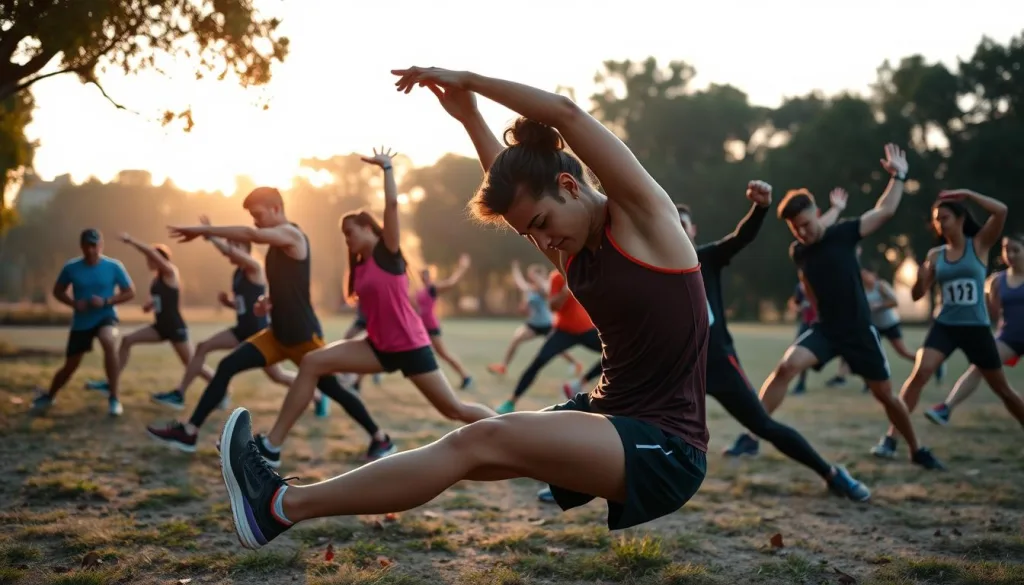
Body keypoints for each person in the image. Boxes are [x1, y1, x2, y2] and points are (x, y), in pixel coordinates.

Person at [218, 66, 709, 550]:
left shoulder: (648, 222)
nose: (542, 240)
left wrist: (470, 80)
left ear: (570, 185)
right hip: (611, 415)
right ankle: (281, 508)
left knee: (476, 439)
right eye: (529, 233)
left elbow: (567, 116)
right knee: (467, 449)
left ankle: (279, 506)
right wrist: (470, 117)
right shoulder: (571, 245)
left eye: (542, 222)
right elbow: (510, 179)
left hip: (666, 446)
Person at [242, 149, 498, 469]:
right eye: (344, 235)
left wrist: (388, 169)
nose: (346, 239)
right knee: (311, 363)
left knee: (454, 409)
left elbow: (392, 206)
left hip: (410, 346)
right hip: (377, 346)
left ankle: (509, 432)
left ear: (368, 229)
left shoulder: (387, 254)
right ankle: (272, 446)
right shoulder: (360, 269)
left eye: (350, 232)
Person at [725, 149, 944, 470]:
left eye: (805, 223)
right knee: (786, 368)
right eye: (795, 228)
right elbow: (810, 283)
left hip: (858, 331)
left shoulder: (844, 233)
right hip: (826, 330)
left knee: (885, 395)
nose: (802, 232)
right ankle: (751, 437)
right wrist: (815, 313)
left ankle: (916, 448)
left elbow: (884, 211)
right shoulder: (799, 251)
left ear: (816, 212)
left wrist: (898, 176)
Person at [146, 186, 390, 458]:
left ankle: (379, 437)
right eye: (252, 216)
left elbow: (252, 235)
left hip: (303, 336)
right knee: (227, 366)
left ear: (276, 209)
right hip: (276, 335)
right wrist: (269, 300)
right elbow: (289, 283)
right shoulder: (277, 247)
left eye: (258, 214)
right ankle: (189, 432)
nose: (255, 222)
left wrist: (205, 231)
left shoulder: (292, 234)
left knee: (332, 388)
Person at [870, 191, 1024, 452]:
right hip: (945, 326)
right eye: (937, 220)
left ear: (960, 218)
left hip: (976, 328)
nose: (940, 224)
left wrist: (968, 195)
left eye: (945, 218)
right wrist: (921, 278)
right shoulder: (935, 255)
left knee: (1002, 389)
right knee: (919, 375)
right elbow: (918, 295)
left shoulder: (979, 244)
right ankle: (891, 438)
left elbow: (1001, 210)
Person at [149, 222, 330, 418]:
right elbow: (245, 305)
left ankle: (318, 397)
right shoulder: (238, 273)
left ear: (243, 248)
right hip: (240, 330)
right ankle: (180, 393)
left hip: (258, 333)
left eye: (233, 246)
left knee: (277, 376)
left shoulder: (255, 267)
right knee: (203, 346)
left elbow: (230, 253)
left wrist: (211, 236)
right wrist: (229, 303)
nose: (228, 253)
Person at [31, 229, 135, 416]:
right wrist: (73, 303)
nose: (91, 250)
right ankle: (50, 395)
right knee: (70, 366)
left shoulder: (114, 266)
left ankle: (114, 398)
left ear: (101, 246)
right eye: (87, 246)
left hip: (106, 315)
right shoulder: (71, 268)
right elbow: (58, 291)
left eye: (94, 246)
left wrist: (106, 301)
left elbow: (130, 292)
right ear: (81, 246)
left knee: (108, 340)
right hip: (82, 322)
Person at [927, 234, 1024, 425]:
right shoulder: (997, 281)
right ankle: (946, 409)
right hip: (1010, 338)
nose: (1010, 255)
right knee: (979, 367)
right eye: (1007, 250)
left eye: (1016, 250)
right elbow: (992, 313)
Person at [496, 267, 602, 414]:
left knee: (617, 353)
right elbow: (552, 307)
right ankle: (511, 402)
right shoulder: (556, 277)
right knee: (538, 361)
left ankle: (580, 383)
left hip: (587, 329)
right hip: (564, 332)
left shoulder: (585, 271)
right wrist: (565, 292)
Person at [487, 260, 583, 378]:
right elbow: (519, 282)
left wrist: (537, 276)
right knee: (515, 340)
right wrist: (515, 268)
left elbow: (545, 288)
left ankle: (576, 363)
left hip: (547, 324)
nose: (531, 278)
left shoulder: (545, 288)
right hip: (533, 325)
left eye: (533, 275)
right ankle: (503, 367)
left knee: (557, 348)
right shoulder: (530, 289)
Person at [415, 253, 474, 389]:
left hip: (431, 327)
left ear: (429, 276)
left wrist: (463, 267)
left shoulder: (432, 289)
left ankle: (466, 377)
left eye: (426, 274)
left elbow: (452, 283)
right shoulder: (419, 291)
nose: (424, 277)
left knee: (443, 354)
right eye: (422, 275)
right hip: (421, 328)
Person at [789, 281, 817, 394]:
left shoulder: (823, 282)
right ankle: (801, 383)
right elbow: (796, 302)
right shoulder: (800, 285)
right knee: (800, 351)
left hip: (822, 323)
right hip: (806, 323)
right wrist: (797, 307)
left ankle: (869, 383)